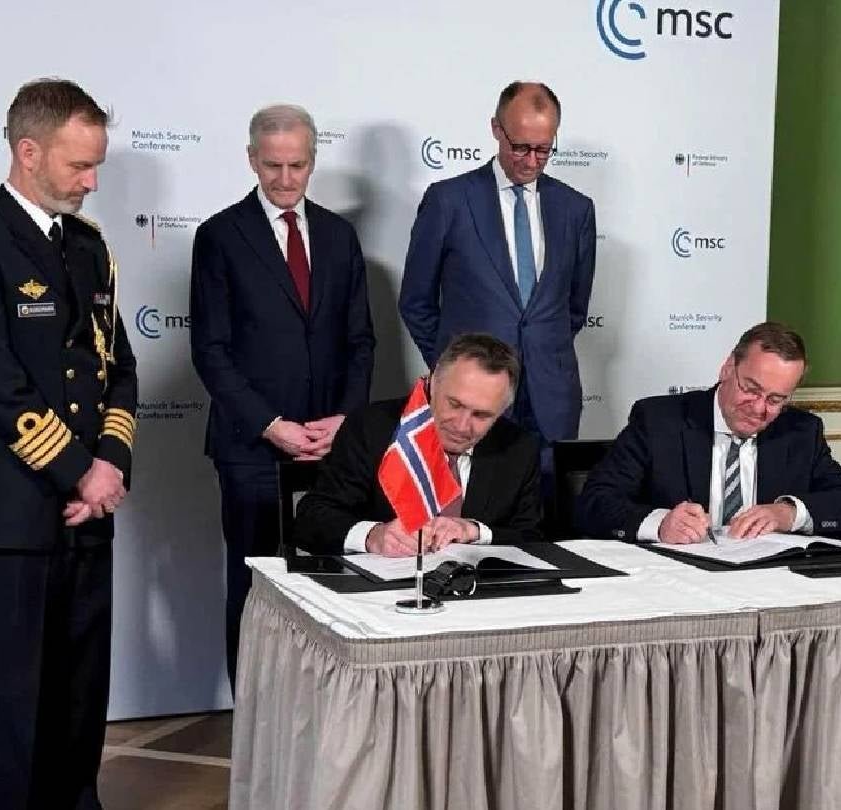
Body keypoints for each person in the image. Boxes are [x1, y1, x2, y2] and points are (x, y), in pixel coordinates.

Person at [0, 78, 137, 810]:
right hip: (14, 512)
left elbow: (118, 367)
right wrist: (79, 473)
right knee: (14, 696)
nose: (92, 182)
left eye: (96, 164)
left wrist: (110, 465)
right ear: (28, 151)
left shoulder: (88, 247)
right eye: (80, 166)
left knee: (81, 691)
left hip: (89, 509)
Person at [189, 103, 375, 686]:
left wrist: (344, 421)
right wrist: (271, 424)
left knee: (329, 584)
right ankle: (252, 720)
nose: (286, 179)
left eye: (297, 165)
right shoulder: (220, 236)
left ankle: (320, 717)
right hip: (252, 450)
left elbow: (361, 341)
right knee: (254, 589)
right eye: (273, 165)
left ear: (312, 161)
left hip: (331, 449)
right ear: (252, 160)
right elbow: (210, 350)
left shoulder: (340, 236)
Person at [398, 81, 597, 454]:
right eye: (520, 147)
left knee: (547, 490)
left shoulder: (576, 209)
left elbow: (574, 307)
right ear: (496, 129)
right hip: (471, 400)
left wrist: (539, 352)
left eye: (543, 149)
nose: (531, 161)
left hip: (551, 399)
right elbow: (415, 302)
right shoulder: (449, 200)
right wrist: (456, 368)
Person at [576, 322, 841, 542]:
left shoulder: (800, 432)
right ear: (728, 368)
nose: (759, 408)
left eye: (775, 399)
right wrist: (661, 523)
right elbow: (594, 504)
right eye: (751, 389)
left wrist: (786, 513)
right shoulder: (659, 421)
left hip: (767, 583)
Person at [294, 333, 543, 555]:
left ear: (502, 411)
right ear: (431, 382)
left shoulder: (519, 448)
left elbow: (533, 538)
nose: (461, 425)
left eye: (481, 415)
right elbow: (312, 518)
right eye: (454, 404)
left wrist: (475, 531)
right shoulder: (371, 428)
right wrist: (372, 536)